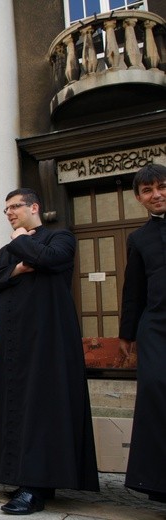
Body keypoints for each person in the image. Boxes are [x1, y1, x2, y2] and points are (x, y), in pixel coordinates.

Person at [0, 188, 98, 515]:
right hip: (15, 346)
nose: (10, 213)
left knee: (44, 409)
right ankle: (21, 477)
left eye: (15, 207)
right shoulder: (12, 248)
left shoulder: (60, 238)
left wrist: (21, 241)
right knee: (17, 407)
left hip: (49, 341)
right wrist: (16, 269)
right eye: (6, 210)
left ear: (34, 207)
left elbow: (48, 259)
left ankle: (37, 486)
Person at [118, 164, 166, 503]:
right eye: (147, 190)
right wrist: (127, 334)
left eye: (161, 187)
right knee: (155, 392)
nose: (156, 194)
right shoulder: (138, 238)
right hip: (156, 327)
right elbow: (133, 290)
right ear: (139, 198)